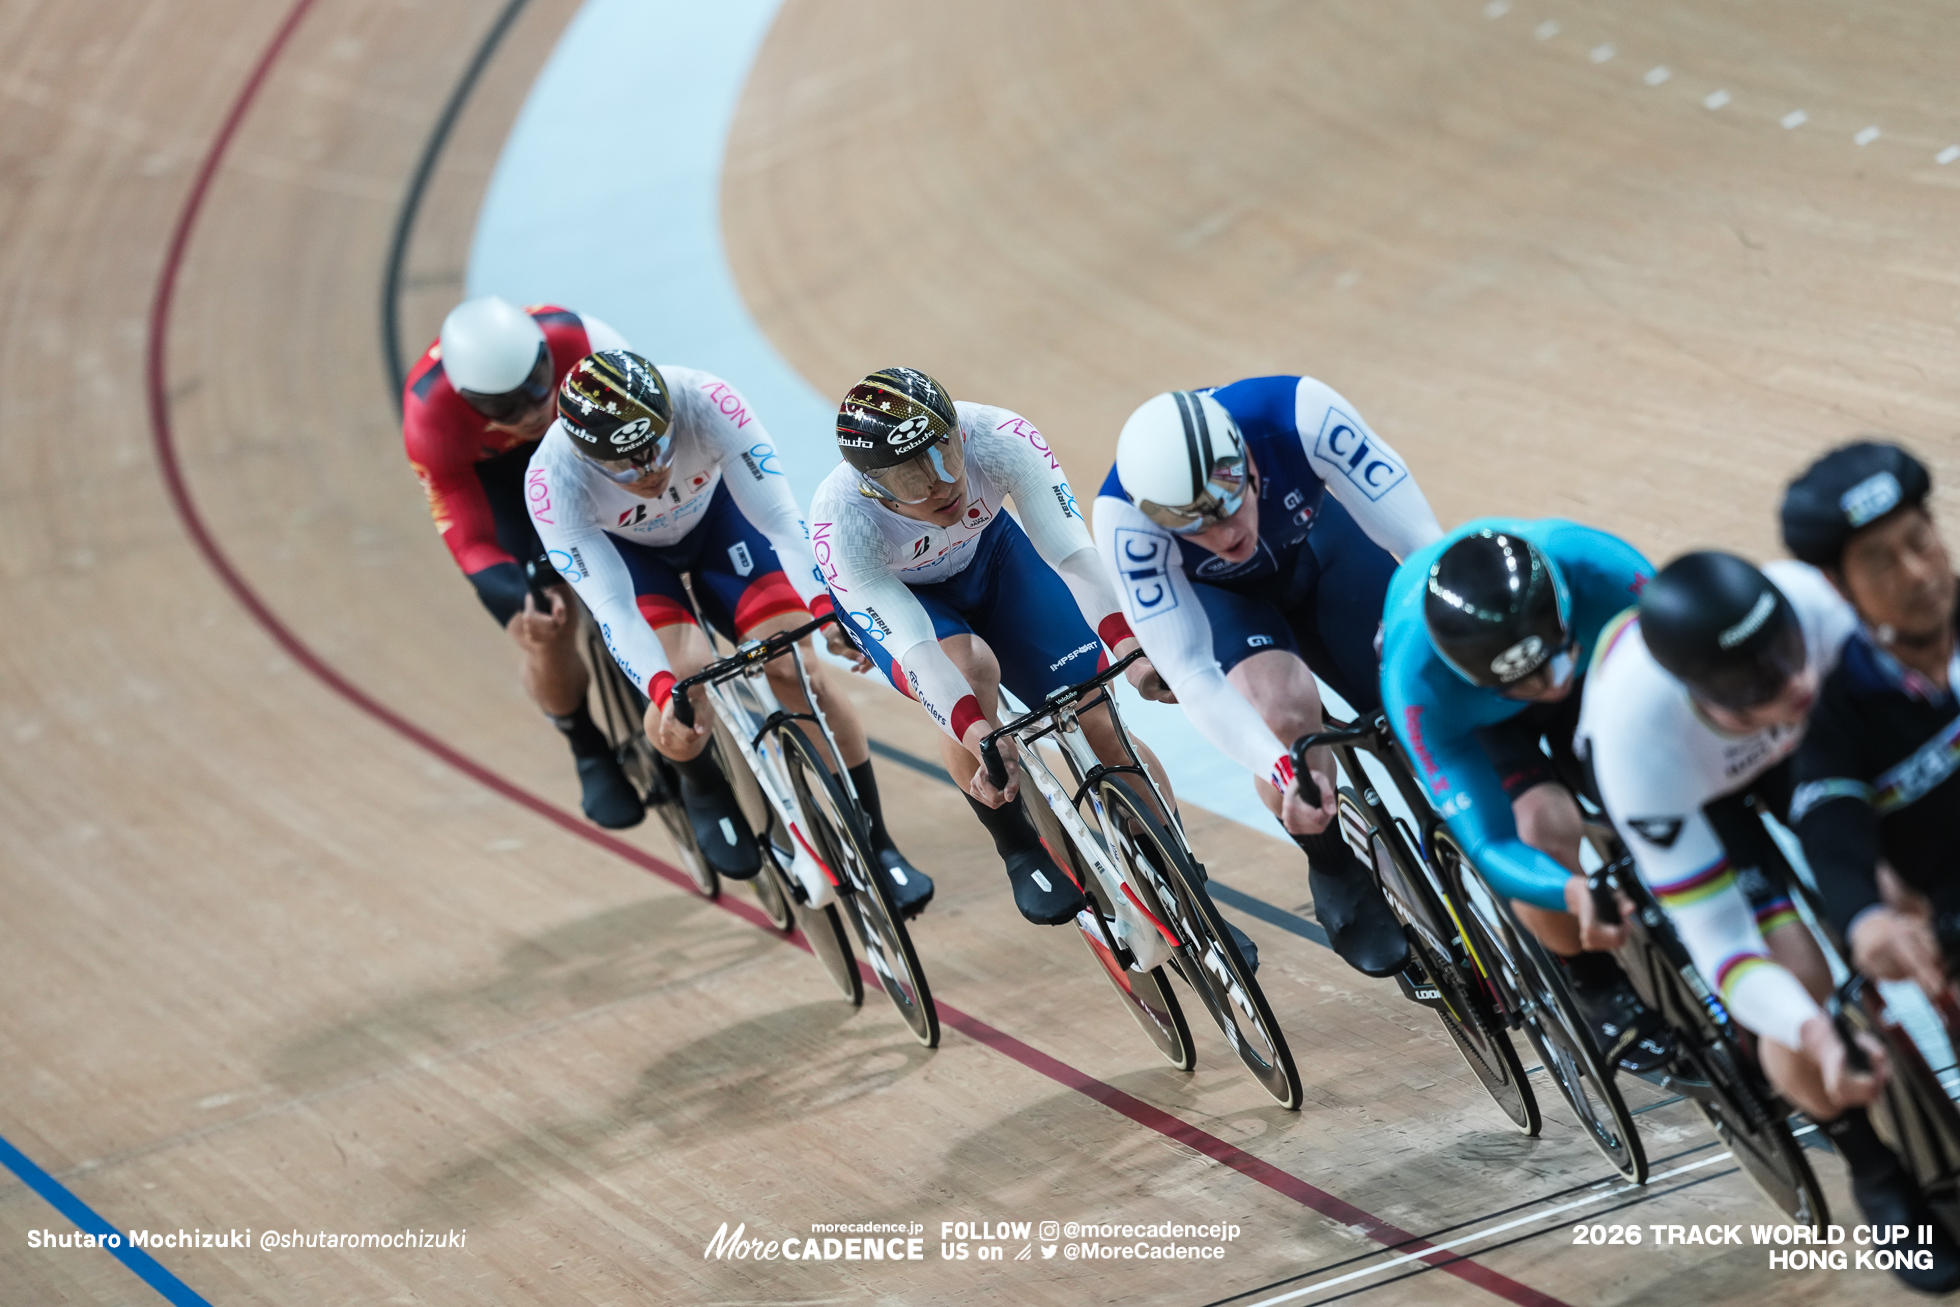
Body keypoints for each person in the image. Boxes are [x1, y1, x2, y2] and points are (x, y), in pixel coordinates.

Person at [1594, 538, 1958, 1292]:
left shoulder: (1821, 610)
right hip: (1705, 792)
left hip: (1823, 745)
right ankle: (1869, 1159)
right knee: (1795, 976)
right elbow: (1723, 945)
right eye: (1758, 679)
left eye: (1788, 653)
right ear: (1699, 689)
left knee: (1906, 888)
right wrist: (1813, 1029)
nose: (1790, 684)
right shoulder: (1637, 747)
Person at [810, 367, 1206, 950]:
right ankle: (1017, 843)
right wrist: (982, 739)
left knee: (1093, 709)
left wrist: (1134, 653)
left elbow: (1073, 556)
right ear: (873, 485)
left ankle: (1186, 886)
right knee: (969, 670)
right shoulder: (841, 519)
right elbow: (922, 656)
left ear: (958, 434)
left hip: (993, 556)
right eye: (910, 479)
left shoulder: (998, 435)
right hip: (910, 603)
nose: (940, 485)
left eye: (946, 455)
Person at [525, 350, 928, 914]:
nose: (650, 474)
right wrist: (667, 693)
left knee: (798, 670)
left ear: (670, 419)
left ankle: (878, 844)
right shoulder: (553, 479)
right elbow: (614, 609)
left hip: (721, 524)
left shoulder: (705, 401)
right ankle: (702, 784)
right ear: (590, 459)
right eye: (624, 468)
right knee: (683, 693)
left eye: (660, 449)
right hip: (633, 562)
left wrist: (829, 607)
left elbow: (783, 522)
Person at [1092, 379, 1441, 977]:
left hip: (1322, 548)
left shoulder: (1300, 414)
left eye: (1227, 504)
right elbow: (1193, 674)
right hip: (1226, 600)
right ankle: (1329, 858)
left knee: (1418, 702)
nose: (1224, 536)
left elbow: (1425, 549)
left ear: (1249, 464)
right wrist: (1283, 769)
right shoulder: (1125, 522)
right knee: (1284, 717)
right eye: (1193, 527)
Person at [1380, 520, 1670, 1072]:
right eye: (1524, 682)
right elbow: (1491, 841)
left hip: (1598, 666)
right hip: (1486, 725)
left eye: (1551, 665)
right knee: (1545, 823)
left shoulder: (1598, 566)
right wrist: (1573, 892)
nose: (1547, 687)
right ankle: (1590, 981)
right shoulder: (1415, 684)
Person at [402, 296, 641, 827]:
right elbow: (470, 543)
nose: (532, 410)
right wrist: (521, 598)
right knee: (545, 622)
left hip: (580, 442)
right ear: (468, 400)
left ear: (543, 356)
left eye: (538, 386)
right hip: (499, 485)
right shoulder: (430, 420)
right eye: (506, 408)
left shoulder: (579, 338)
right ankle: (585, 743)